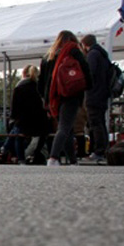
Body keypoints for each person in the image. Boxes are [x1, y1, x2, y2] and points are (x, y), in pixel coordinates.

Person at [39, 31, 92, 166]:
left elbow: (41, 82)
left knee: (67, 128)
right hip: (70, 93)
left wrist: (46, 98)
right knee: (65, 127)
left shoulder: (47, 57)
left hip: (53, 98)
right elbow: (85, 69)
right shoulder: (73, 51)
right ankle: (53, 157)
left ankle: (73, 161)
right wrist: (88, 86)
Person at [5, 65, 51, 164]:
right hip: (40, 121)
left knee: (18, 135)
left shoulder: (20, 87)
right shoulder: (40, 87)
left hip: (24, 121)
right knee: (42, 135)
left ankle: (19, 158)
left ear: (24, 74)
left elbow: (15, 107)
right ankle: (35, 154)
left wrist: (13, 119)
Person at [80, 34, 112, 164]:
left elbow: (90, 73)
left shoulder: (92, 55)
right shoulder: (103, 55)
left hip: (94, 94)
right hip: (103, 93)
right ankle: (103, 149)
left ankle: (98, 151)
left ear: (84, 45)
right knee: (100, 122)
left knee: (95, 123)